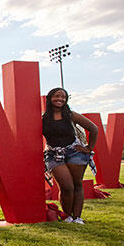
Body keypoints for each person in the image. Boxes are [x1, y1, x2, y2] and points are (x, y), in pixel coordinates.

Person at [42, 88, 98, 224]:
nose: (60, 99)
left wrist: (89, 148)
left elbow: (93, 128)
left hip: (74, 151)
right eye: (57, 96)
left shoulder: (71, 115)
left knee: (77, 185)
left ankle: (77, 217)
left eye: (63, 97)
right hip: (54, 153)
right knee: (66, 186)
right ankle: (67, 216)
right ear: (50, 98)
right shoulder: (43, 118)